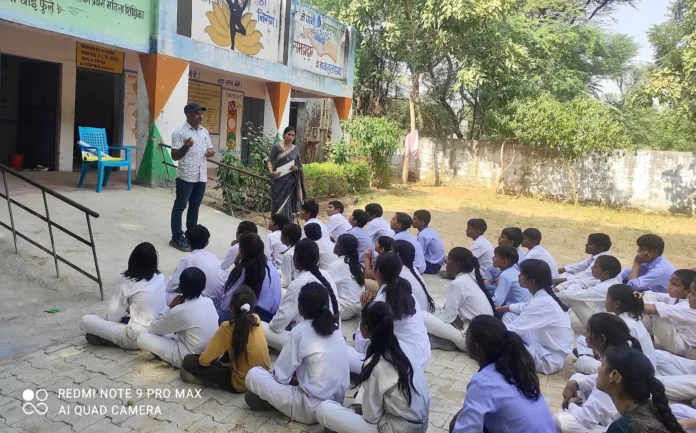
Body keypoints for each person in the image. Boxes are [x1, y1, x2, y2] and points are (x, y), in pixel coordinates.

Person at [317, 301, 431, 433]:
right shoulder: (400, 346)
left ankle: (355, 411)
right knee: (371, 384)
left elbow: (371, 418)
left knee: (323, 410)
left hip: (397, 428)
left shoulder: (376, 364)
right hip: (420, 424)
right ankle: (358, 408)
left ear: (365, 329)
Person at [245, 282, 349, 425]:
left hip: (309, 407)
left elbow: (281, 377)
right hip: (337, 403)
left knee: (254, 374)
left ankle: (277, 404)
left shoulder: (299, 332)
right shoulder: (336, 329)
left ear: (300, 308)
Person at [449, 315, 556, 433]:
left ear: (476, 346)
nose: (465, 339)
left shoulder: (482, 383)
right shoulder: (515, 366)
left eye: (466, 336)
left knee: (455, 425)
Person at [555, 313, 645, 433]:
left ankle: (587, 413)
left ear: (602, 339)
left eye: (588, 331)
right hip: (613, 414)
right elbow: (597, 378)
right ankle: (587, 411)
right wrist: (575, 383)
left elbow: (584, 418)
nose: (585, 335)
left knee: (561, 421)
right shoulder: (618, 359)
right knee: (577, 378)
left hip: (616, 426)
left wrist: (571, 404)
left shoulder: (614, 368)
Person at [350, 253, 431, 373]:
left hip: (400, 367)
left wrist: (366, 310)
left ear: (377, 271)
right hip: (421, 357)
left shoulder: (381, 300)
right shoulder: (408, 293)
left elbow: (361, 342)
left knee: (343, 353)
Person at [181, 285, 271, 392]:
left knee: (189, 360)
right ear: (252, 306)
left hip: (240, 384)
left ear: (230, 305)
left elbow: (204, 361)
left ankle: (210, 380)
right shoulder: (257, 319)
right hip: (263, 378)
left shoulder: (227, 327)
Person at [82, 242, 166, 349]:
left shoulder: (126, 282)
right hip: (157, 334)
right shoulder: (160, 277)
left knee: (86, 320)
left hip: (135, 337)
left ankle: (109, 339)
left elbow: (113, 317)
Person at [497, 259, 573, 374]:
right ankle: (521, 345)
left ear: (531, 281)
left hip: (547, 360)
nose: (518, 275)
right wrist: (501, 308)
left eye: (522, 274)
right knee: (510, 315)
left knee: (503, 342)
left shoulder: (541, 303)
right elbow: (523, 306)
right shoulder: (543, 295)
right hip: (542, 345)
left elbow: (511, 330)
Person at [264, 239, 339, 350]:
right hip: (334, 333)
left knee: (261, 327)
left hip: (313, 342)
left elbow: (277, 326)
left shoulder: (298, 284)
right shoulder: (326, 275)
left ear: (296, 258)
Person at [137, 267, 219, 368]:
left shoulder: (180, 310)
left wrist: (169, 307)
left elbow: (153, 328)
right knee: (171, 331)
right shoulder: (208, 301)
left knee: (142, 337)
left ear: (180, 287)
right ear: (204, 285)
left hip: (188, 358)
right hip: (210, 354)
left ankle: (168, 359)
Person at [422, 247, 495, 352]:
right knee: (437, 306)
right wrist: (452, 315)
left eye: (448, 259)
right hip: (476, 333)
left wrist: (450, 316)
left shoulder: (458, 283)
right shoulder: (470, 278)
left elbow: (447, 317)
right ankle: (446, 340)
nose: (446, 261)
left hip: (471, 342)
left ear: (457, 264)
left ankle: (442, 341)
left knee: (423, 315)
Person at [596, 347, 685, 433]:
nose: (598, 369)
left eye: (602, 364)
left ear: (614, 375)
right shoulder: (654, 408)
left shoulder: (622, 428)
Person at [575, 284, 657, 375]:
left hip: (634, 372)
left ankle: (587, 357)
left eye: (607, 298)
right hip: (644, 366)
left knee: (582, 362)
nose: (604, 301)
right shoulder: (630, 319)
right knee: (582, 340)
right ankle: (590, 357)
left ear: (616, 303)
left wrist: (602, 356)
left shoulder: (624, 324)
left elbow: (620, 356)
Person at [169, 102, 216, 252]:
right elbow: (174, 156)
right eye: (197, 113)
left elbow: (209, 148)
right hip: (185, 176)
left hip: (201, 176)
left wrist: (209, 152)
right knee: (180, 206)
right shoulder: (179, 133)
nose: (200, 116)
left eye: (201, 113)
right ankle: (177, 237)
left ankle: (191, 236)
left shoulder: (204, 132)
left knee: (195, 207)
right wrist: (185, 146)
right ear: (188, 114)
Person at [217, 233, 281, 323]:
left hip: (254, 317)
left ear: (241, 250)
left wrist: (237, 265)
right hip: (270, 317)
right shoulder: (270, 267)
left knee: (214, 312)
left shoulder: (245, 270)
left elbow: (226, 306)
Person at [555, 255, 623, 327]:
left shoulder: (605, 288)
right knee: (574, 286)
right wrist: (557, 288)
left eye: (596, 267)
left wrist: (551, 295)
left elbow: (572, 296)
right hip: (599, 313)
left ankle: (560, 318)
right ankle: (562, 314)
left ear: (606, 273)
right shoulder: (603, 281)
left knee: (571, 298)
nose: (591, 268)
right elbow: (579, 282)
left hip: (604, 326)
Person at [166, 225, 227, 304]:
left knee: (165, 293)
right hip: (218, 300)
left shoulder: (187, 260)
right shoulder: (212, 256)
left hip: (202, 301)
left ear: (187, 242)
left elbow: (171, 286)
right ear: (207, 243)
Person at [642, 269, 696, 356]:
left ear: (687, 291)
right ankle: (645, 336)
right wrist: (636, 294)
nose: (669, 286)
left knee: (656, 313)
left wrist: (629, 300)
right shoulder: (677, 297)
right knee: (649, 297)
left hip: (680, 346)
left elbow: (651, 309)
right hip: (673, 335)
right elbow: (651, 294)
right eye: (670, 282)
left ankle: (643, 338)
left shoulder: (688, 306)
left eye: (674, 285)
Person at [268, 126, 306, 219]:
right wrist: (271, 171)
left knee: (288, 202)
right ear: (284, 135)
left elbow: (299, 164)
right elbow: (269, 160)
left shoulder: (295, 149)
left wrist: (296, 168)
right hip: (277, 179)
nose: (291, 137)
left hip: (290, 180)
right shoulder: (276, 147)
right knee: (277, 202)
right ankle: (276, 222)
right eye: (289, 134)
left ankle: (287, 222)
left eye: (293, 135)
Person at [328, 234, 365, 320]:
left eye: (336, 243)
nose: (334, 245)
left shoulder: (337, 265)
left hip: (344, 310)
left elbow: (322, 283)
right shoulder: (356, 264)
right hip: (355, 308)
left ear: (341, 247)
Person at [393, 240, 436, 313]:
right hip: (425, 312)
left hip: (419, 315)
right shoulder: (412, 269)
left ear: (397, 254)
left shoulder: (400, 274)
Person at [413, 210, 446, 274]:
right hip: (437, 264)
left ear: (422, 222)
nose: (412, 221)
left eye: (414, 219)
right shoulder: (429, 231)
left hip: (431, 266)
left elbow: (419, 254)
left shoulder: (422, 235)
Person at [280, 223, 302, 288]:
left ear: (286, 238)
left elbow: (285, 282)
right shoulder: (303, 246)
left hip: (296, 286)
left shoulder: (288, 254)